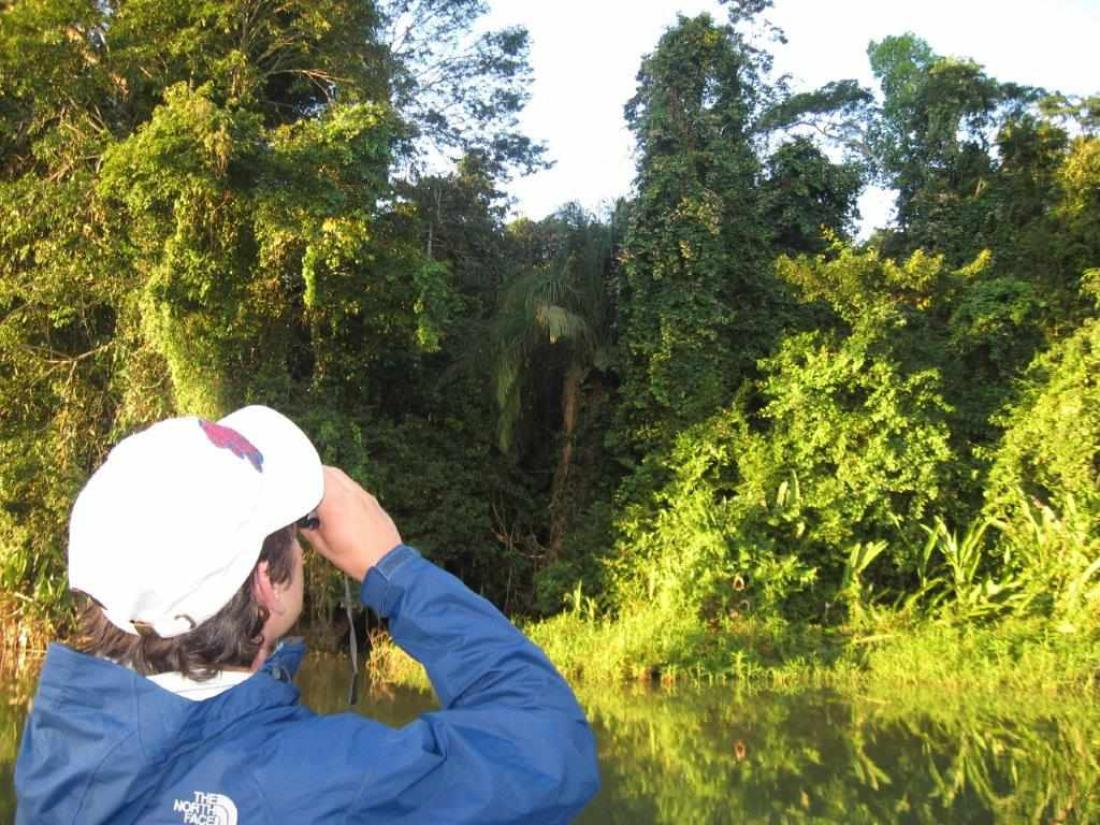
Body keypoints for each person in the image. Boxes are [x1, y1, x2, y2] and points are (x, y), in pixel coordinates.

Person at [15, 405, 600, 824]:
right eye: (293, 535)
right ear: (267, 585)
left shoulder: (60, 741)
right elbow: (548, 746)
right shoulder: (321, 787)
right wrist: (395, 569)